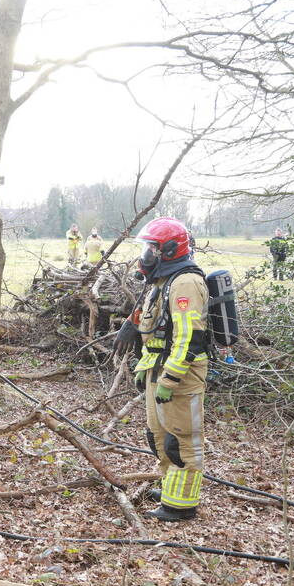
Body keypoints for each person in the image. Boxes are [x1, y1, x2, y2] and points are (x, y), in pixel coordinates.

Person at [112, 217, 208, 521]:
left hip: (181, 375)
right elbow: (154, 323)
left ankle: (181, 505)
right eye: (146, 247)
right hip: (157, 368)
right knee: (156, 435)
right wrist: (144, 362)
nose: (146, 254)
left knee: (180, 439)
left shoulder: (185, 282)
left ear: (168, 249)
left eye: (152, 247)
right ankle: (171, 486)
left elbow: (188, 337)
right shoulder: (162, 280)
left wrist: (170, 378)